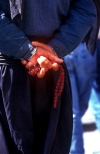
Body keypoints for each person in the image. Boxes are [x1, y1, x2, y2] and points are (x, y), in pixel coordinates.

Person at [0, 0, 98, 154]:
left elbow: (85, 8)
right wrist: (49, 50)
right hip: (27, 66)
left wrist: (39, 51)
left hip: (49, 67)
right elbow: (86, 9)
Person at [64, 43, 96, 154]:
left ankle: (75, 150)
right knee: (76, 111)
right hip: (84, 50)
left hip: (63, 52)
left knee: (75, 112)